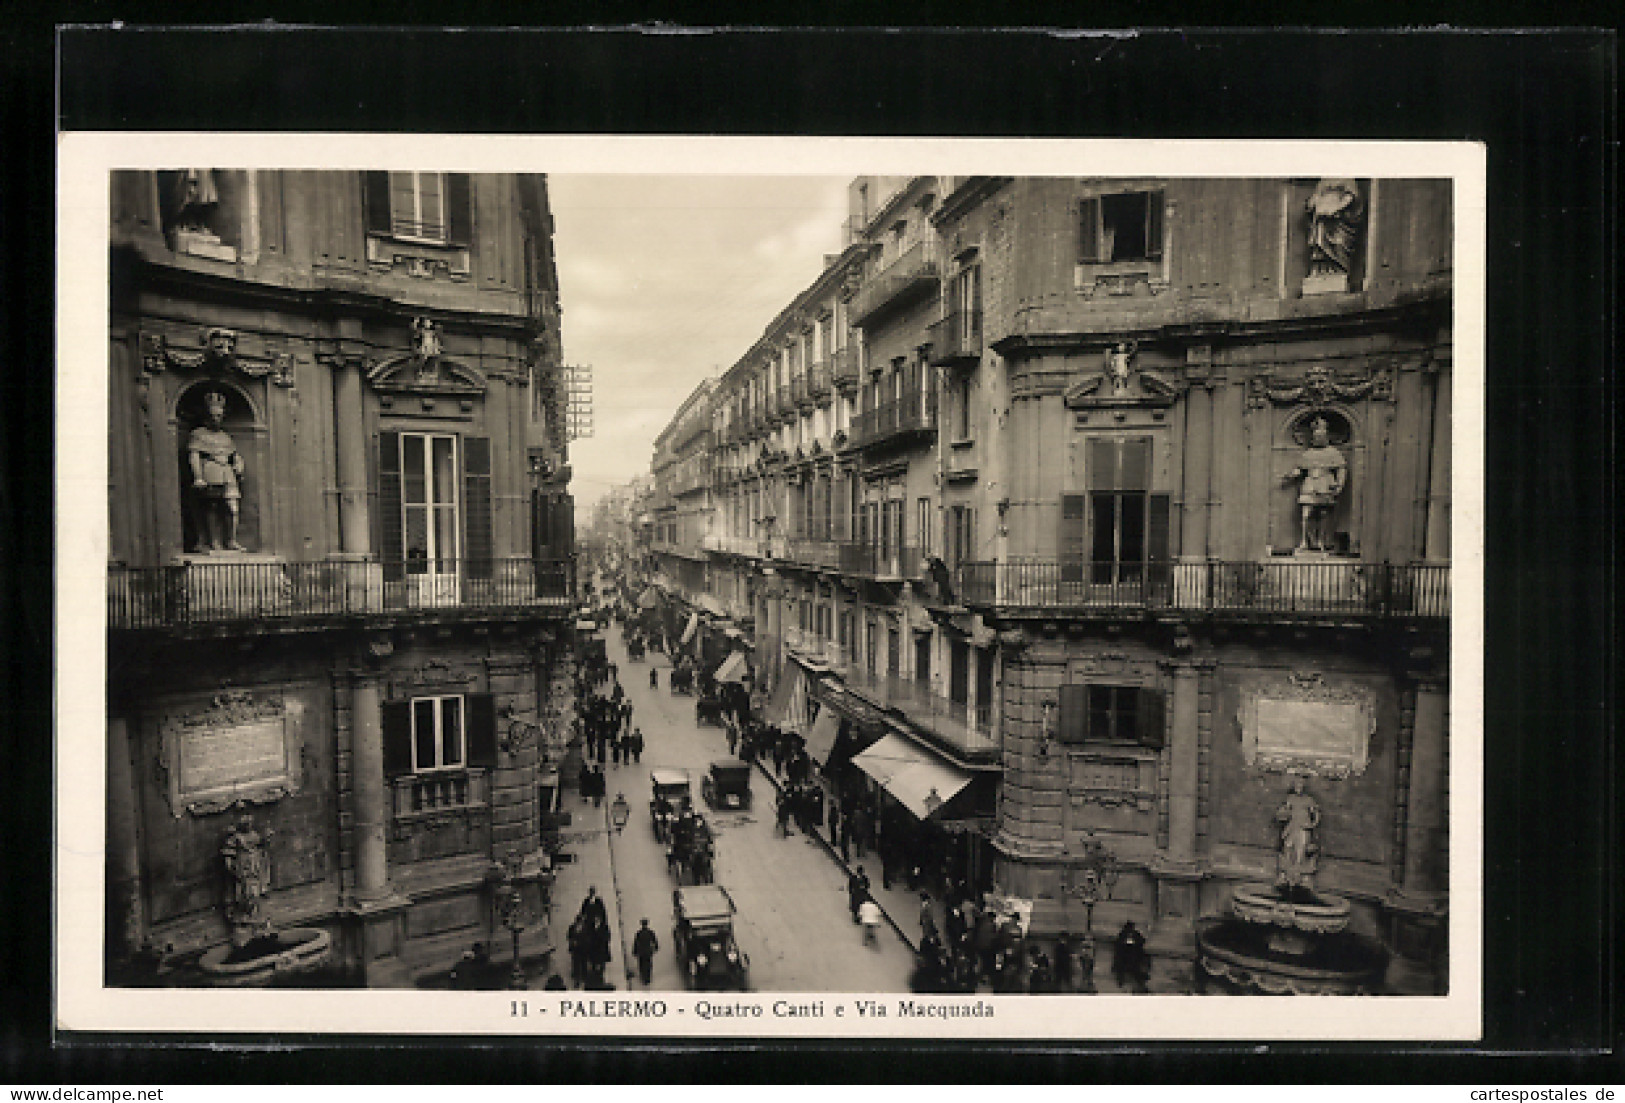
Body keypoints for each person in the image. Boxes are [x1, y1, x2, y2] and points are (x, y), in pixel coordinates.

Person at [187, 389, 246, 553]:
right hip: (210, 470)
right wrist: (198, 476)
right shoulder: (198, 434)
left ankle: (231, 540)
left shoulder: (226, 436)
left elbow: (235, 454)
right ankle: (213, 541)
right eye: (213, 415)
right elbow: (194, 455)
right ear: (206, 416)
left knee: (232, 508)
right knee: (211, 507)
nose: (216, 419)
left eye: (219, 416)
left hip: (228, 473)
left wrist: (239, 464)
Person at [1285, 416, 1348, 551]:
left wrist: (1339, 485)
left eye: (1321, 436)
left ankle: (1321, 541)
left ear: (1326, 436)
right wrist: (1290, 475)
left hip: (1325, 483)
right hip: (1309, 483)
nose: (1318, 438)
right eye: (1316, 436)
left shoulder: (1333, 453)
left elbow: (1341, 469)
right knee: (1305, 514)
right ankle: (1304, 541)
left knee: (1323, 514)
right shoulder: (1308, 454)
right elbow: (1300, 469)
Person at [1112, 920, 1150, 993]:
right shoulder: (1123, 935)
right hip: (1126, 955)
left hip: (1133, 955)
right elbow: (1118, 947)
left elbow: (1141, 941)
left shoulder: (1134, 934)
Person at [631, 918, 660, 986]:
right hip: (648, 951)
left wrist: (635, 951)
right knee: (648, 964)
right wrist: (656, 947)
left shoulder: (639, 933)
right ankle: (648, 978)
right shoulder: (650, 932)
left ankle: (643, 977)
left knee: (642, 965)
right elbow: (655, 941)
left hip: (641, 952)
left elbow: (636, 943)